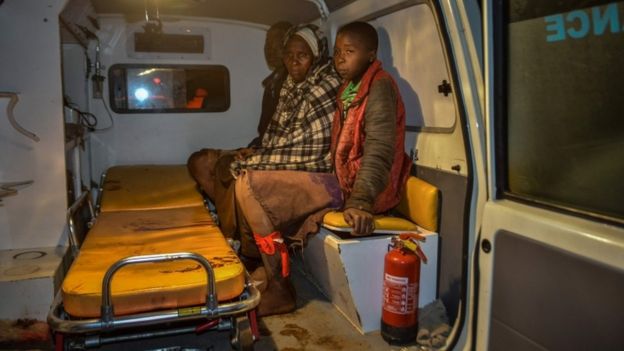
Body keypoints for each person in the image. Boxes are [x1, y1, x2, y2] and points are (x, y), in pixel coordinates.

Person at [234, 21, 412, 316]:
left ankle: (280, 288)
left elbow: (379, 151)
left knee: (251, 185)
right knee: (245, 181)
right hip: (342, 180)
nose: (340, 58)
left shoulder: (379, 86)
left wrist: (361, 201)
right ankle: (269, 270)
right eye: (338, 51)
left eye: (350, 52)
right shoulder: (350, 87)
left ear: (370, 54)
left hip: (363, 191)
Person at [187, 24, 340, 260]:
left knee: (237, 173)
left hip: (311, 160)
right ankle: (233, 235)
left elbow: (308, 144)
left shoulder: (324, 86)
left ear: (316, 55)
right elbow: (275, 133)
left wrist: (258, 157)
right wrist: (257, 150)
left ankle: (244, 248)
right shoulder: (289, 84)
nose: (294, 62)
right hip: (281, 149)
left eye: (302, 55)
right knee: (214, 163)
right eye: (288, 55)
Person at [248, 21, 292, 147]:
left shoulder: (292, 82)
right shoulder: (272, 81)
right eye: (267, 42)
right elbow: (265, 129)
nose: (270, 49)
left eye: (277, 42)